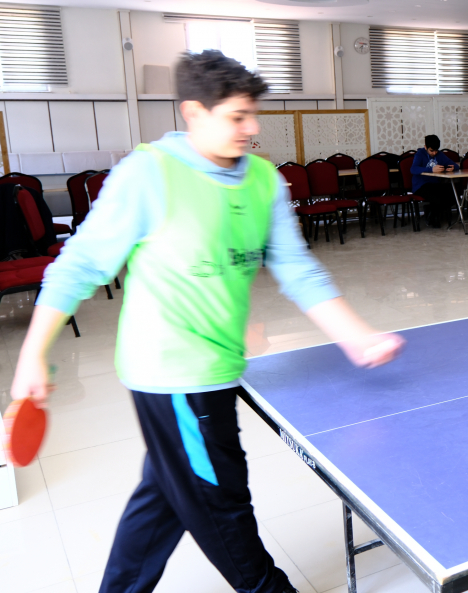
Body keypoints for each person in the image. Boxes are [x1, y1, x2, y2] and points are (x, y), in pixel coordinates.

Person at [8, 50, 405, 593]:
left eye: (253, 115)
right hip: (174, 374)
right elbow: (78, 266)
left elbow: (296, 267)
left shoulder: (263, 179)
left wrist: (354, 335)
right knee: (223, 506)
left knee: (164, 498)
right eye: (238, 117)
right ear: (194, 112)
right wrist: (33, 353)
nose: (253, 128)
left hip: (220, 366)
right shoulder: (148, 173)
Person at [410, 134, 460, 228]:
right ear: (425, 147)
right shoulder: (420, 154)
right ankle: (432, 216)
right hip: (421, 185)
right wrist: (431, 170)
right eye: (431, 151)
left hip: (435, 184)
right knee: (437, 197)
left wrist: (453, 168)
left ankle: (430, 212)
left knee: (453, 192)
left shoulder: (439, 154)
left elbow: (455, 165)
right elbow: (413, 169)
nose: (434, 153)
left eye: (436, 150)